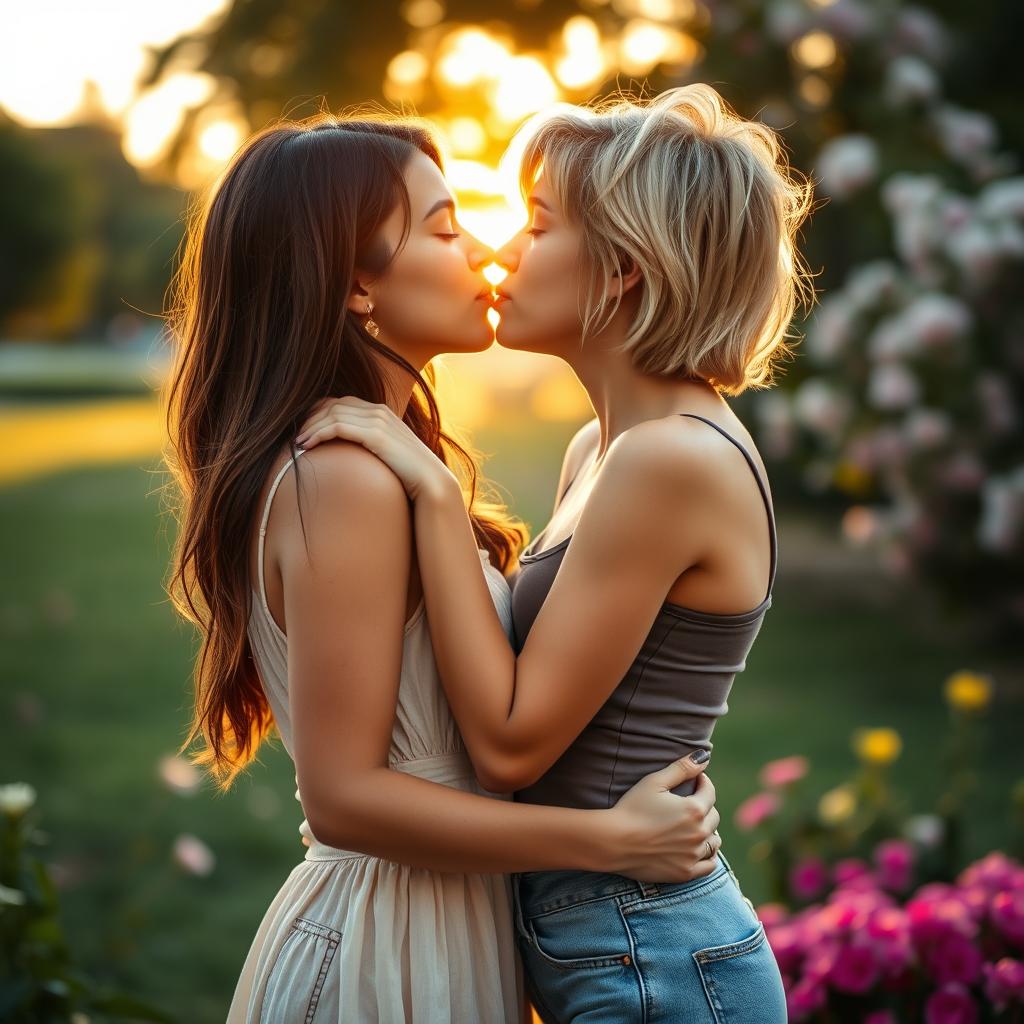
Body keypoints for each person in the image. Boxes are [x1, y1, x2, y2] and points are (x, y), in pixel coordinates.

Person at [163, 112, 723, 1024]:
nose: (489, 257)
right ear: (355, 282)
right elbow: (343, 799)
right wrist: (608, 841)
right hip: (388, 949)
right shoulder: (345, 474)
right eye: (448, 227)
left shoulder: (383, 464)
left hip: (444, 923)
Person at [295, 84, 815, 1022]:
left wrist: (434, 492)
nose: (502, 250)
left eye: (537, 226)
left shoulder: (669, 460)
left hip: (649, 945)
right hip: (604, 930)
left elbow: (508, 742)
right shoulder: (606, 449)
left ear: (622, 265)